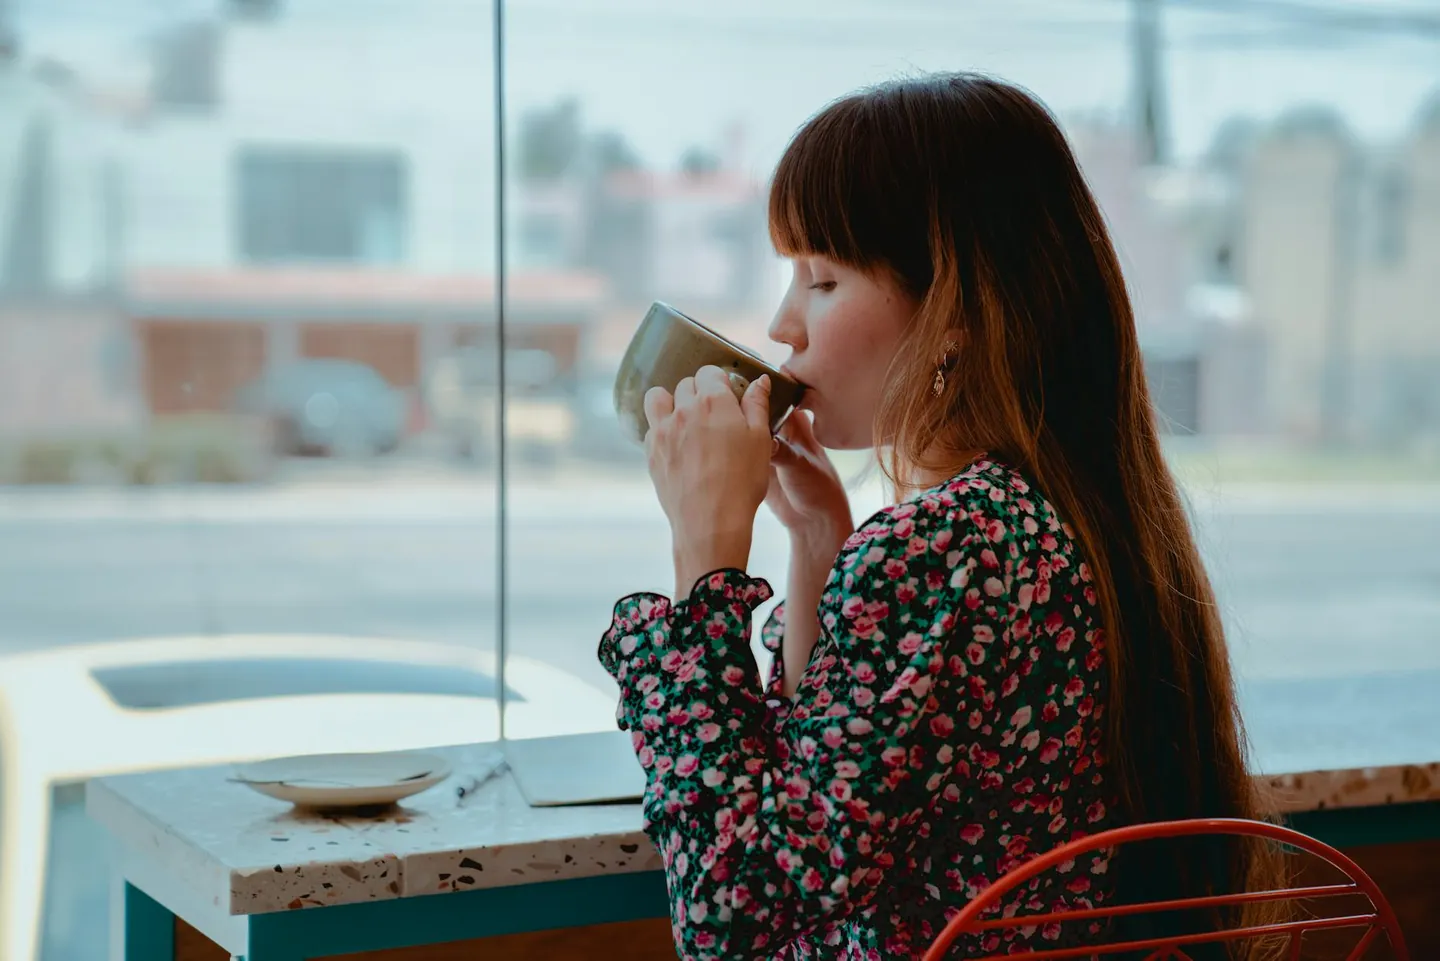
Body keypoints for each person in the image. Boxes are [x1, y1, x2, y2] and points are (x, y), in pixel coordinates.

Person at [598, 72, 1277, 961]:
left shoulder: (942, 544)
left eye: (822, 279)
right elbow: (833, 786)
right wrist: (817, 545)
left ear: (953, 311)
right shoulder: (1052, 511)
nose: (782, 324)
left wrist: (705, 555)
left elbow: (736, 909)